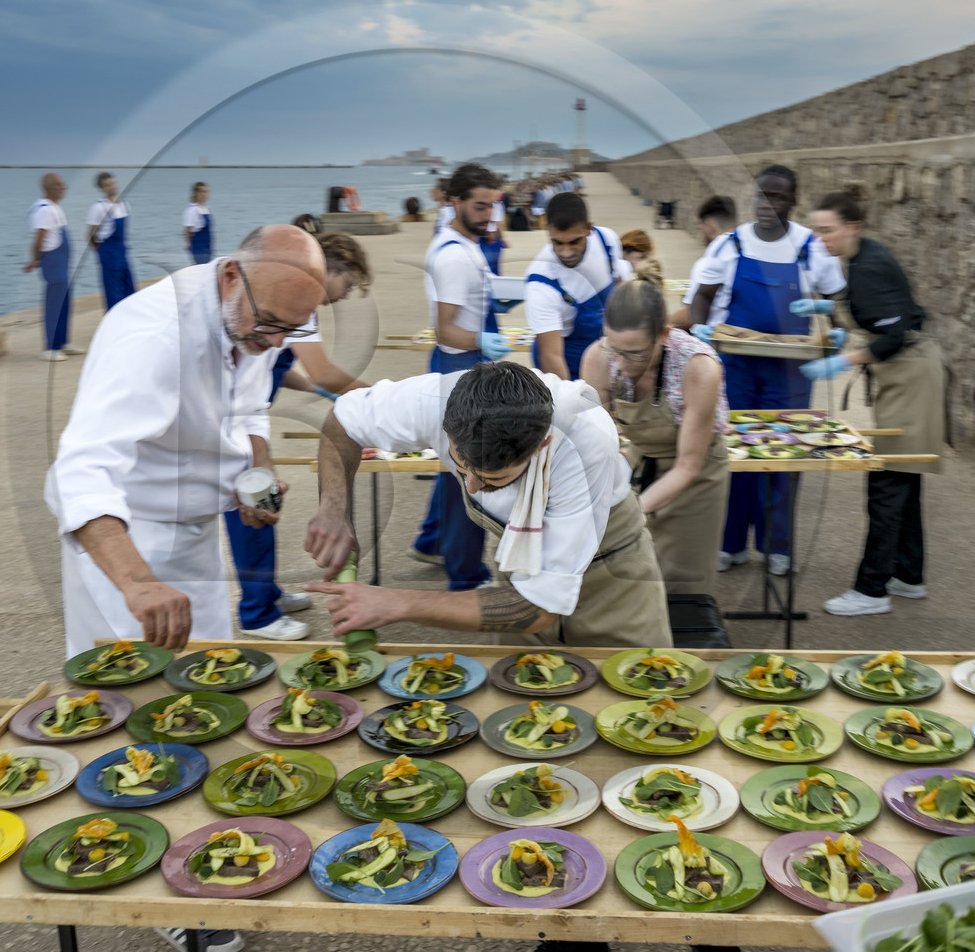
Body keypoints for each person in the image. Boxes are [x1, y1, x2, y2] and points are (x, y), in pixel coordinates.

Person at [46, 223, 326, 657]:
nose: (276, 342)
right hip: (127, 542)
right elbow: (81, 472)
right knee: (125, 698)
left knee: (209, 684)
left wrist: (258, 467)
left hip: (197, 538)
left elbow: (250, 408)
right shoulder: (153, 338)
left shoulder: (262, 309)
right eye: (270, 324)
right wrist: (137, 583)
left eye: (292, 329)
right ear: (231, 275)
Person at [304, 362, 672, 648]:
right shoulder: (435, 399)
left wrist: (396, 603)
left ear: (540, 447)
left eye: (493, 479)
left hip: (610, 571)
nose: (473, 487)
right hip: (521, 557)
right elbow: (343, 420)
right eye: (461, 468)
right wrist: (334, 509)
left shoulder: (584, 445)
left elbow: (538, 609)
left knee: (635, 698)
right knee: (521, 709)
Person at [686, 166, 845, 576]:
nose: (767, 204)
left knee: (785, 453)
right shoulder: (729, 245)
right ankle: (731, 543)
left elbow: (838, 300)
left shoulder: (812, 249)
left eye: (777, 197)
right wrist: (703, 330)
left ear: (793, 202)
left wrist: (837, 332)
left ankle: (778, 546)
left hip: (791, 373)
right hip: (736, 366)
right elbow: (702, 297)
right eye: (761, 195)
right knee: (733, 452)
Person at [795, 189, 946, 616]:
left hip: (911, 378)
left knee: (886, 483)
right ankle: (908, 576)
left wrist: (842, 359)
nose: (820, 238)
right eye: (816, 231)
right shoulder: (860, 257)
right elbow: (870, 310)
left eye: (827, 231)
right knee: (905, 478)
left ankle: (871, 590)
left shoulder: (871, 265)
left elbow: (896, 335)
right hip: (905, 376)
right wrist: (826, 308)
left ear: (852, 227)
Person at [222, 233, 375, 640]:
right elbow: (325, 371)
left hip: (248, 416)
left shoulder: (295, 306)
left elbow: (278, 366)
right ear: (331, 270)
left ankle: (266, 592)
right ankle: (257, 615)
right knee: (253, 514)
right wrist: (378, 395)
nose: (345, 297)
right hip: (236, 422)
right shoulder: (300, 307)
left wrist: (310, 388)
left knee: (263, 510)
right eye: (349, 285)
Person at [581, 276, 731, 644]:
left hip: (696, 474)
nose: (622, 362)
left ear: (664, 335)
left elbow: (687, 467)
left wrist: (630, 512)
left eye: (635, 353)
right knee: (628, 576)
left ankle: (686, 662)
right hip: (640, 457)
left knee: (682, 583)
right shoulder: (599, 359)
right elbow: (597, 442)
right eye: (615, 348)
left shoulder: (699, 367)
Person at [413, 162, 512, 590]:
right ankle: (466, 576)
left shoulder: (464, 242)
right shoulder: (453, 255)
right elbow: (447, 331)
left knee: (455, 468)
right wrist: (483, 341)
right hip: (459, 367)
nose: (488, 213)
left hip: (466, 365)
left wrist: (502, 299)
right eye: (479, 205)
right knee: (470, 475)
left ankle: (435, 542)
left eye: (492, 204)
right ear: (455, 202)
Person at [524, 192, 632, 381]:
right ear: (547, 231)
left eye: (575, 242)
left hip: (607, 353)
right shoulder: (540, 284)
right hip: (569, 364)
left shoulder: (606, 240)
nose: (566, 252)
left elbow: (620, 285)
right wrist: (568, 398)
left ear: (589, 229)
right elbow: (551, 355)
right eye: (557, 242)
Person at [23, 172, 82, 361]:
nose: (64, 188)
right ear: (50, 188)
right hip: (54, 262)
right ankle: (50, 348)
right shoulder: (44, 210)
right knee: (54, 304)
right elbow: (39, 239)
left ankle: (62, 343)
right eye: (60, 185)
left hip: (61, 262)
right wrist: (35, 260)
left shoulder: (53, 207)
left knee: (64, 303)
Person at [84, 172, 135, 311]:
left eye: (112, 183)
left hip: (122, 253)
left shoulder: (124, 204)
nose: (111, 187)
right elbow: (90, 235)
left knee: (130, 290)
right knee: (113, 294)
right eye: (107, 185)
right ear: (101, 189)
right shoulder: (98, 208)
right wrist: (100, 251)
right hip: (109, 253)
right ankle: (114, 327)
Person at [183, 182, 214, 264]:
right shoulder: (192, 210)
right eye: (202, 192)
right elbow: (187, 231)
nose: (204, 194)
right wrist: (190, 246)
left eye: (206, 192)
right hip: (199, 248)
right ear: (195, 193)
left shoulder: (206, 209)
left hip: (208, 247)